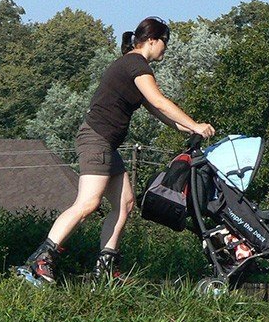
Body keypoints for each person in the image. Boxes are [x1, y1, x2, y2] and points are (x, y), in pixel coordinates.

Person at [17, 17, 215, 285]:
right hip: (96, 139)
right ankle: (40, 260)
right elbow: (159, 99)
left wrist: (184, 128)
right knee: (88, 203)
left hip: (107, 143)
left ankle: (105, 268)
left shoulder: (133, 66)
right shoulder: (136, 64)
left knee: (125, 204)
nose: (165, 50)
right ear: (153, 41)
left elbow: (155, 109)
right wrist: (195, 124)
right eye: (165, 44)